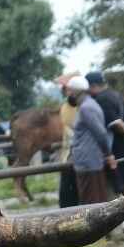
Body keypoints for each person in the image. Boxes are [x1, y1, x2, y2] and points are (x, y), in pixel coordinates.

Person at [85, 71, 124, 235]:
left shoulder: (102, 99)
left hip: (121, 150)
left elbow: (116, 123)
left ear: (92, 86)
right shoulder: (115, 94)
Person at [66, 75, 115, 207]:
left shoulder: (86, 108)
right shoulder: (86, 106)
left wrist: (108, 154)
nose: (68, 94)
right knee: (92, 200)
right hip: (87, 160)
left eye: (69, 90)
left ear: (77, 91)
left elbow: (100, 133)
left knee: (91, 203)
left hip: (89, 161)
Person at [56, 73, 80, 208]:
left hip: (77, 153)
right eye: (67, 89)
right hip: (69, 153)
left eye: (70, 89)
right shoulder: (66, 107)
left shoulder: (82, 105)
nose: (68, 92)